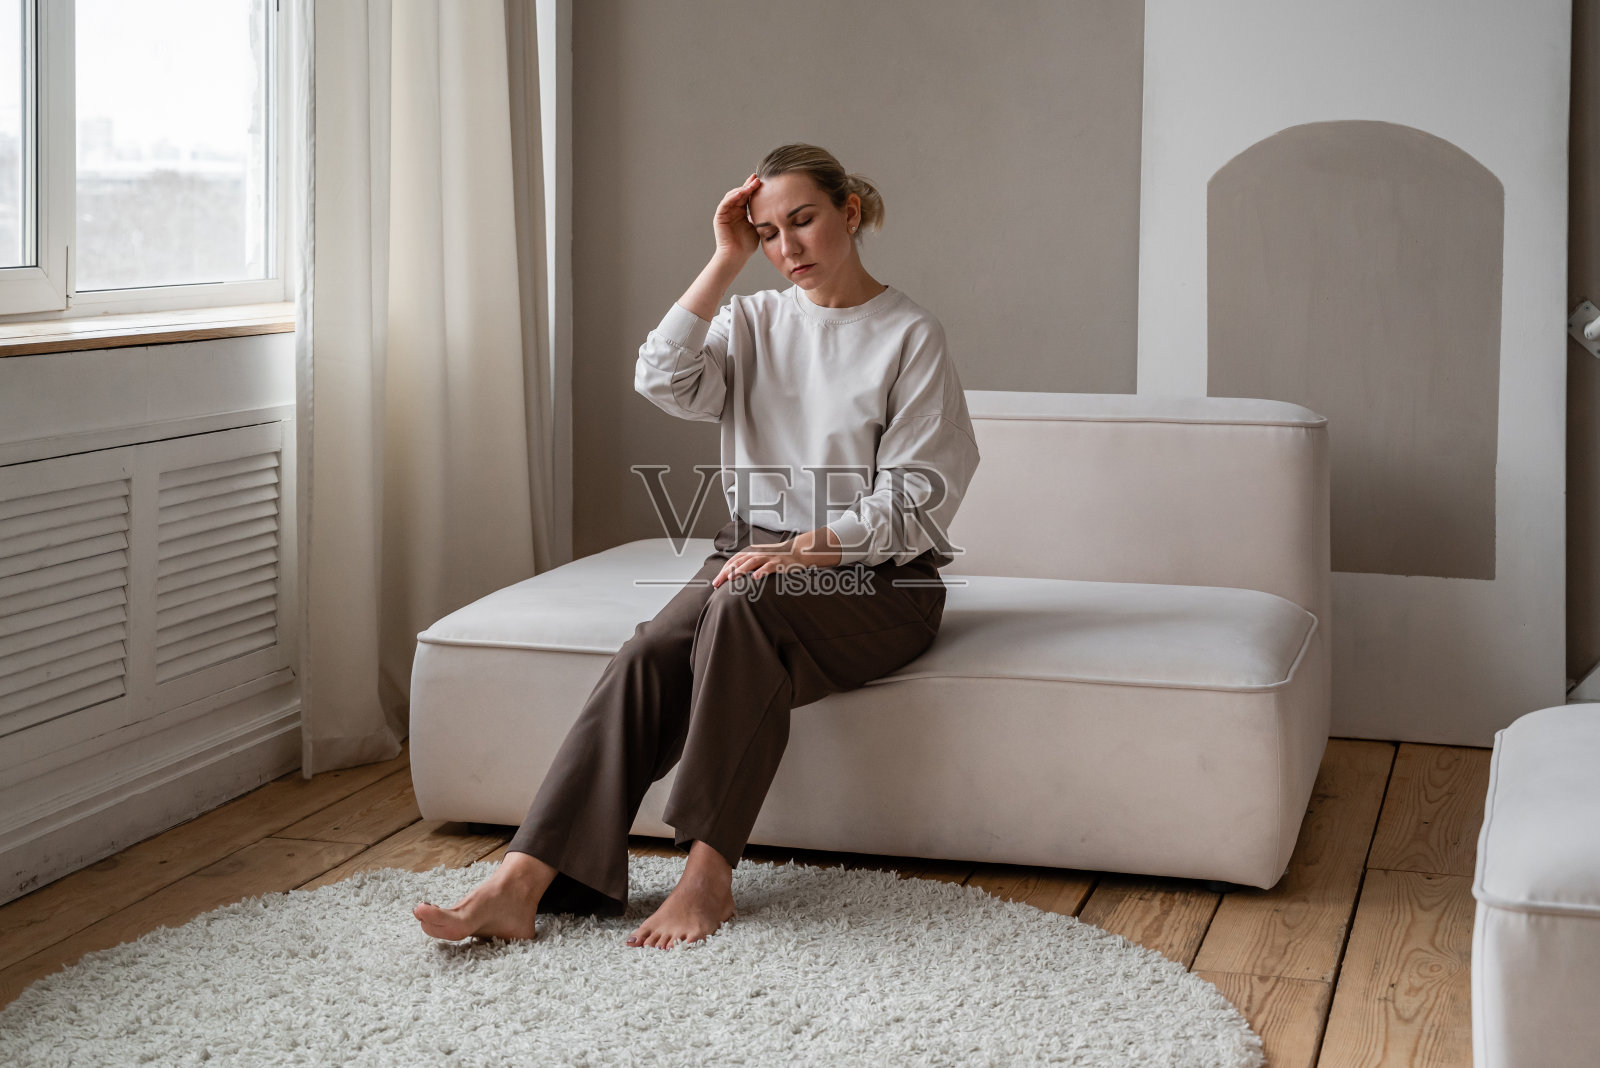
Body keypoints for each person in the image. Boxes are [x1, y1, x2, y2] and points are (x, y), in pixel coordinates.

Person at [413, 143, 981, 949]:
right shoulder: (751, 320)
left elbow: (916, 500)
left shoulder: (909, 334)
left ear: (849, 212)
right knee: (650, 652)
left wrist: (802, 551)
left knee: (746, 602)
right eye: (767, 231)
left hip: (878, 579)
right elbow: (661, 377)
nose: (787, 249)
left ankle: (707, 876)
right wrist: (724, 260)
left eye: (804, 221)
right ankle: (522, 878)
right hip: (752, 556)